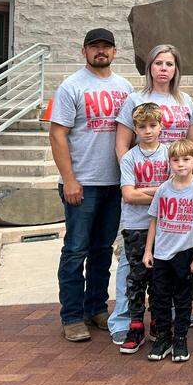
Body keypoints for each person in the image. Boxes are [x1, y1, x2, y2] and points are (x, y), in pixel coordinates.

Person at [109, 43, 193, 343]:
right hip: (144, 190)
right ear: (149, 67)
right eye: (158, 63)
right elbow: (122, 145)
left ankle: (170, 314)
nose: (163, 68)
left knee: (172, 256)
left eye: (169, 64)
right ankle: (124, 319)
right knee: (131, 263)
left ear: (176, 69)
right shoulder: (136, 99)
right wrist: (134, 179)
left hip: (177, 193)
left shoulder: (184, 100)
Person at [49, 28, 133, 342]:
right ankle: (72, 316)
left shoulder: (124, 87)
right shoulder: (71, 86)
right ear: (83, 51)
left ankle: (96, 307)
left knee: (102, 250)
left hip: (114, 182)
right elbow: (57, 134)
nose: (101, 51)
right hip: (82, 183)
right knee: (75, 250)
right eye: (94, 46)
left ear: (115, 52)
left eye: (106, 47)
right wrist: (69, 179)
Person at [143, 139, 193, 363]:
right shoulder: (163, 189)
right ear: (169, 162)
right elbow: (154, 221)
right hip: (162, 253)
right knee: (160, 297)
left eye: (186, 159)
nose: (181, 164)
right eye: (175, 160)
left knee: (183, 298)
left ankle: (180, 338)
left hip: (185, 252)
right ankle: (163, 337)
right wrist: (148, 251)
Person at [116, 103, 170, 355]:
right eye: (142, 126)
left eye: (152, 125)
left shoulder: (169, 154)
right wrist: (159, 192)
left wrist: (143, 191)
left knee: (160, 277)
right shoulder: (129, 158)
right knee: (137, 276)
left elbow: (175, 191)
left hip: (164, 226)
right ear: (135, 129)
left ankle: (158, 321)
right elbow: (128, 195)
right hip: (135, 225)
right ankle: (136, 324)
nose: (148, 131)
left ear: (161, 126)